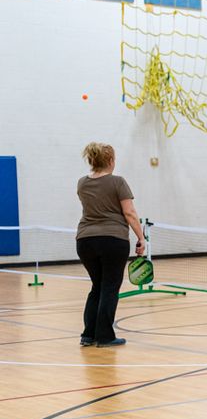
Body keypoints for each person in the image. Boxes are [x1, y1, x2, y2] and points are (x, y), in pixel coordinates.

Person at [75, 142, 146, 347]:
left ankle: (88, 335)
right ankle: (105, 336)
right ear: (110, 161)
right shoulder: (118, 182)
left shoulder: (82, 183)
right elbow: (129, 213)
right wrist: (141, 238)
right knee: (109, 288)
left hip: (85, 241)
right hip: (113, 240)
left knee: (97, 286)